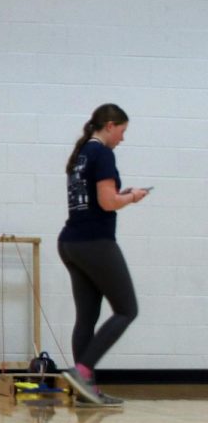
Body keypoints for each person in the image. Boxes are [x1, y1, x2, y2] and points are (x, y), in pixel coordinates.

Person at [59, 103, 148, 407]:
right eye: (122, 131)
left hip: (70, 242)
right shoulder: (103, 153)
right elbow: (108, 202)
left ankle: (86, 391)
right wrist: (132, 198)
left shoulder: (83, 152)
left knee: (87, 316)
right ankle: (81, 371)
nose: (122, 138)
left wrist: (123, 196)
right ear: (110, 125)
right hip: (94, 242)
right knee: (127, 310)